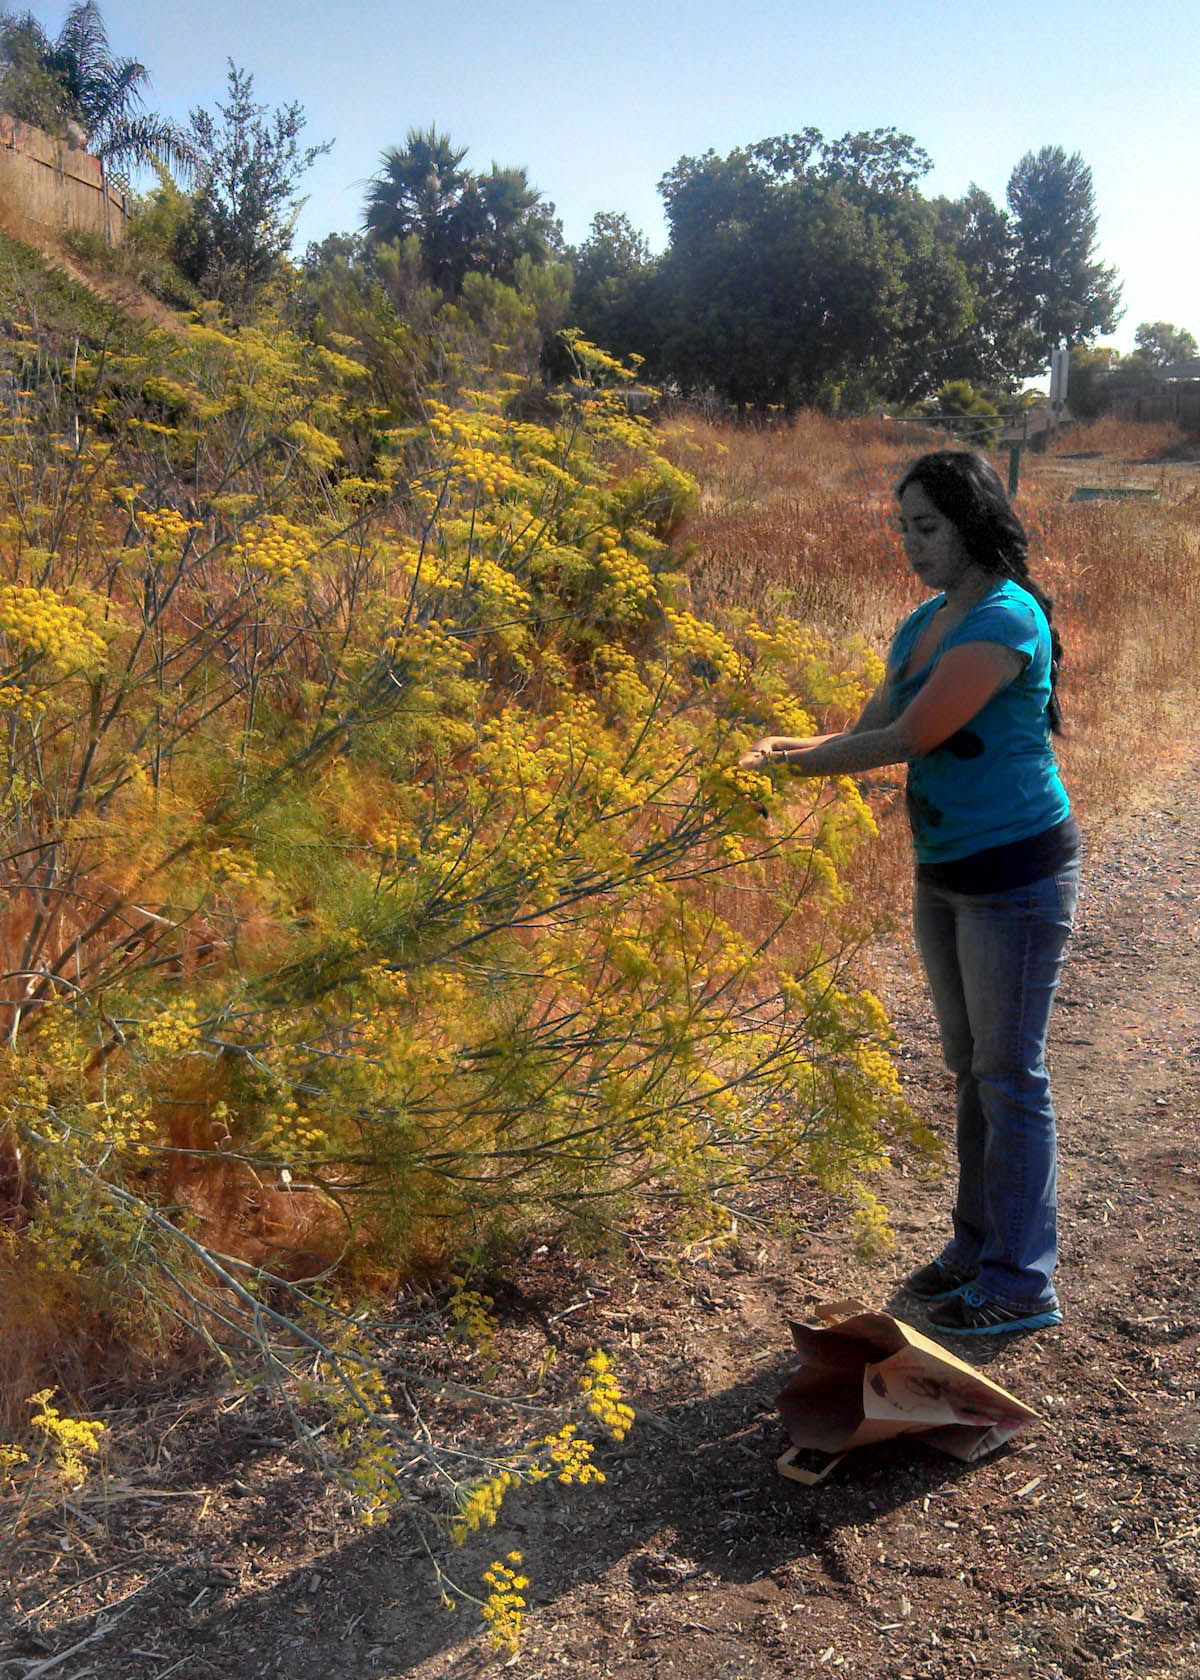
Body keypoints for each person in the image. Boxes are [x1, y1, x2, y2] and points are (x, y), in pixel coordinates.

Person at [740, 450, 1079, 1335]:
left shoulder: (1004, 622)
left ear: (972, 522)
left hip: (1017, 872)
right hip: (947, 869)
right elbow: (867, 727)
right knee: (973, 1071)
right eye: (903, 529)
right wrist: (789, 748)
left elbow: (914, 736)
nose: (911, 545)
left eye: (926, 527)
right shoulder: (926, 620)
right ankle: (977, 1249)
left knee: (1010, 1076)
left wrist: (803, 768)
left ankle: (1020, 1284)